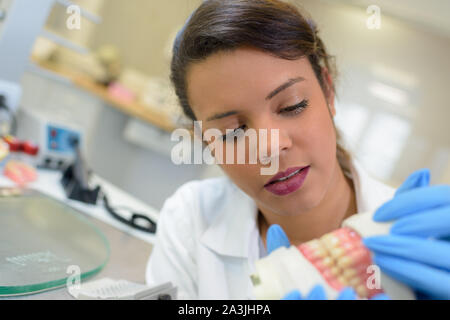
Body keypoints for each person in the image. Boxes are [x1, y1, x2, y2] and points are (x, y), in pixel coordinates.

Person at [146, 0, 450, 300]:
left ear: (328, 91)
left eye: (292, 105)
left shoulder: (425, 241)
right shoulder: (189, 219)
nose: (271, 148)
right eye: (233, 132)